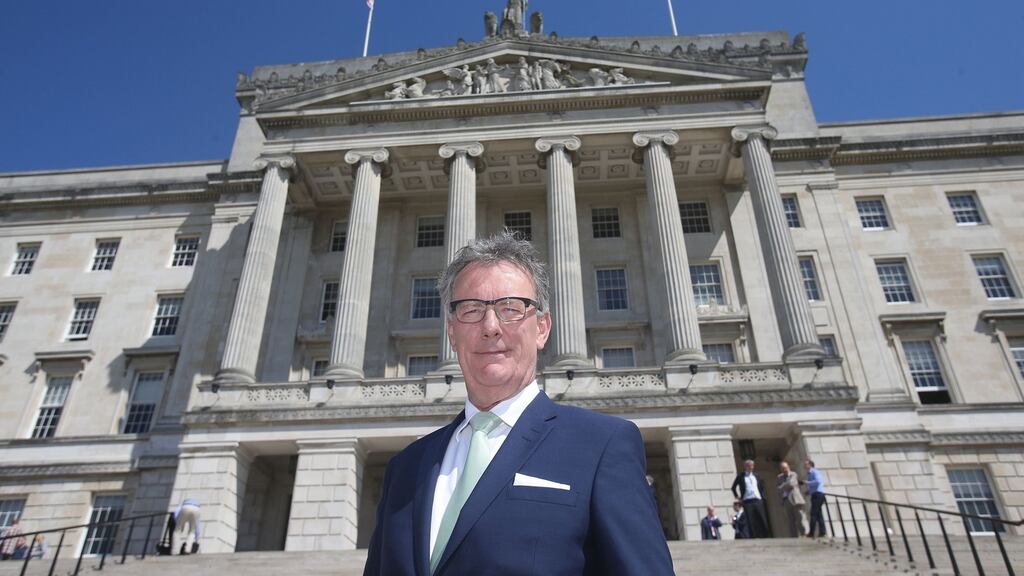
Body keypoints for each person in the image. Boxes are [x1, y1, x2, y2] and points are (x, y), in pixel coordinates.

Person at [363, 232, 674, 576]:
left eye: (511, 309)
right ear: (452, 333)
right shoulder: (405, 468)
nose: (490, 327)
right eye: (471, 310)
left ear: (542, 328)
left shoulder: (602, 446)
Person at [731, 460, 769, 538]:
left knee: (762, 518)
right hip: (747, 500)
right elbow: (733, 487)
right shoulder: (741, 476)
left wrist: (763, 497)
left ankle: (765, 535)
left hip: (758, 499)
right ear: (746, 466)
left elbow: (761, 487)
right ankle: (754, 537)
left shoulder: (756, 475)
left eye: (752, 466)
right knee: (751, 521)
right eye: (749, 466)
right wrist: (737, 496)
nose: (751, 467)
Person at [777, 461, 807, 538]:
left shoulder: (793, 474)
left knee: (799, 517)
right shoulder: (779, 477)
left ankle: (803, 534)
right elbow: (778, 489)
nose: (785, 469)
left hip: (795, 499)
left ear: (789, 467)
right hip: (786, 500)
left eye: (786, 467)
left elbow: (791, 483)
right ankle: (794, 537)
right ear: (781, 469)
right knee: (790, 520)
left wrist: (783, 486)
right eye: (783, 468)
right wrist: (785, 486)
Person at [804, 459, 827, 538]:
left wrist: (808, 483)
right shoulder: (810, 473)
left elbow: (818, 481)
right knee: (818, 514)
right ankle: (822, 532)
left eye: (806, 464)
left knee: (813, 513)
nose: (805, 466)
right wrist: (809, 491)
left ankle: (811, 532)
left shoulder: (815, 472)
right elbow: (814, 486)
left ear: (810, 465)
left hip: (818, 495)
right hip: (815, 494)